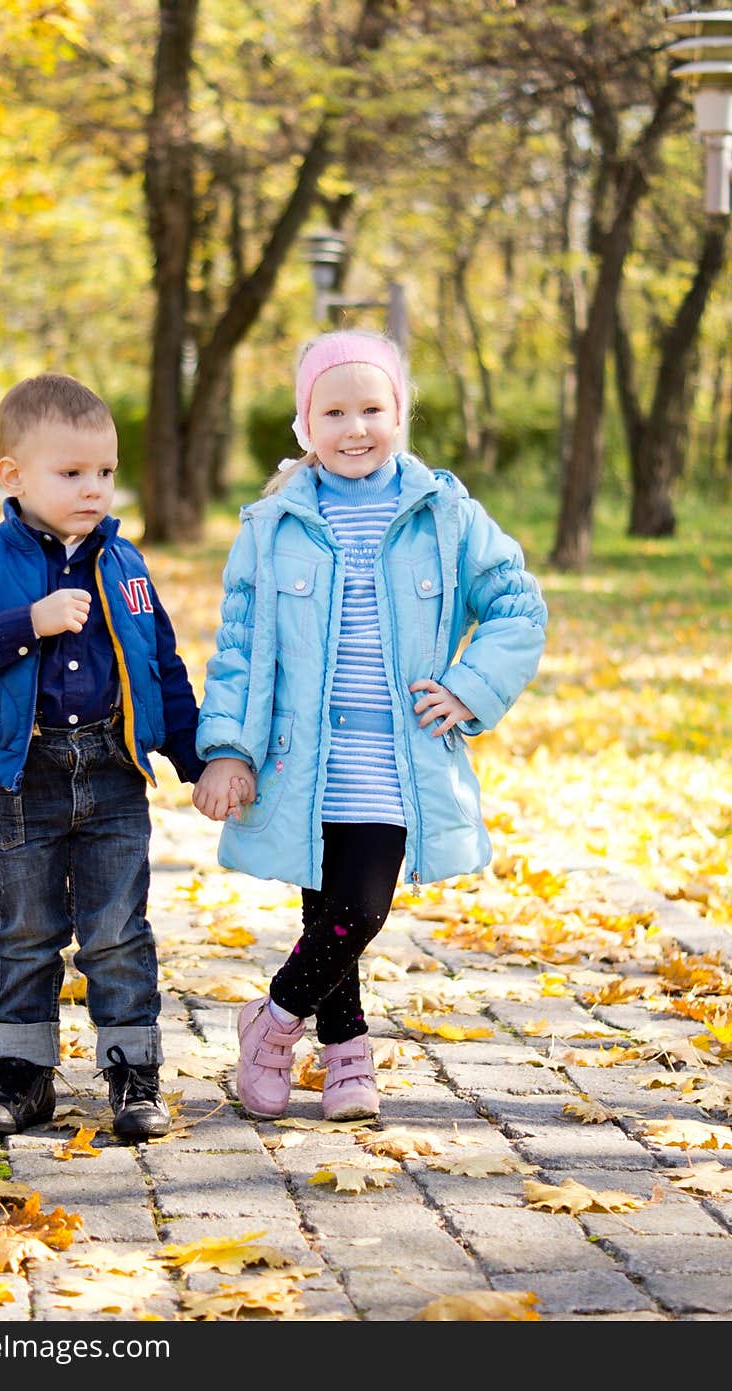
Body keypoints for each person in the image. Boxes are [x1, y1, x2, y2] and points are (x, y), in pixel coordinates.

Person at [192, 329, 547, 1123]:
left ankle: (273, 1021)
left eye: (373, 408)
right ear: (304, 424)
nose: (356, 427)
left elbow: (518, 605)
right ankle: (348, 1057)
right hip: (304, 753)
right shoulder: (273, 522)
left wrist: (469, 685)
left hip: (394, 753)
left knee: (364, 905)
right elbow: (242, 647)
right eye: (335, 411)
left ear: (400, 412)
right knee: (326, 910)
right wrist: (226, 748)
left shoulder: (445, 512)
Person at [0, 372, 253, 1141]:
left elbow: (160, 666)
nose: (93, 488)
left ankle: (133, 1073)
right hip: (20, 776)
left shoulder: (125, 564)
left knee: (116, 929)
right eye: (71, 473)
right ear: (15, 475)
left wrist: (196, 758)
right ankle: (23, 1073)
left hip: (110, 771)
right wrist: (26, 622)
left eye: (104, 471)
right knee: (27, 929)